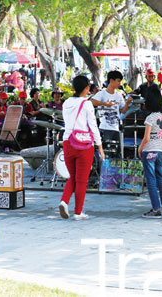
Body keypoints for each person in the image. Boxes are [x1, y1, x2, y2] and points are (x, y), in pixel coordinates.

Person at [58, 75, 103, 220]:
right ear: (87, 88)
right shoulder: (87, 104)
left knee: (73, 177)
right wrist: (100, 147)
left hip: (68, 141)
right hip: (84, 145)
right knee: (82, 180)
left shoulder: (66, 103)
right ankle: (78, 212)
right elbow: (93, 126)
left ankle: (64, 201)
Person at [137, 89, 162, 218]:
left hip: (149, 151)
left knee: (151, 181)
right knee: (161, 179)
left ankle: (156, 209)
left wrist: (139, 149)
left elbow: (146, 138)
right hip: (160, 151)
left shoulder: (150, 118)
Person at [91, 71, 133, 143]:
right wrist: (105, 104)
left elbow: (123, 111)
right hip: (105, 128)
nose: (119, 83)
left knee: (118, 151)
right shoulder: (102, 93)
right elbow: (92, 101)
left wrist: (127, 103)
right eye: (118, 81)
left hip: (116, 128)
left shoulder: (119, 95)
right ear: (111, 80)